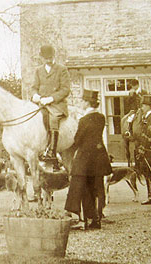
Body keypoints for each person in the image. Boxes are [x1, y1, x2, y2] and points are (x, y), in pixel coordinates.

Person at [64, 89, 112, 230]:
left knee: (80, 185)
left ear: (86, 102)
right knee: (97, 188)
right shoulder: (101, 118)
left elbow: (77, 140)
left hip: (85, 158)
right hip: (99, 157)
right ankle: (95, 219)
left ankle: (81, 218)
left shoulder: (84, 120)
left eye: (81, 101)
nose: (80, 103)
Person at [29, 44, 71, 170]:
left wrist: (51, 98)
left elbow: (65, 89)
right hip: (41, 103)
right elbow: (33, 87)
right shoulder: (38, 70)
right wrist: (35, 95)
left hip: (56, 104)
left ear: (53, 56)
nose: (48, 59)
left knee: (53, 119)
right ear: (42, 58)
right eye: (46, 58)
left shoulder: (61, 69)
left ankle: (52, 152)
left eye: (50, 57)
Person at [134, 95, 151, 205]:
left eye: (144, 105)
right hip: (148, 149)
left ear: (148, 106)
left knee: (150, 173)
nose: (142, 108)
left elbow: (149, 135)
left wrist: (143, 148)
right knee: (149, 173)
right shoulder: (148, 117)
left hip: (149, 150)